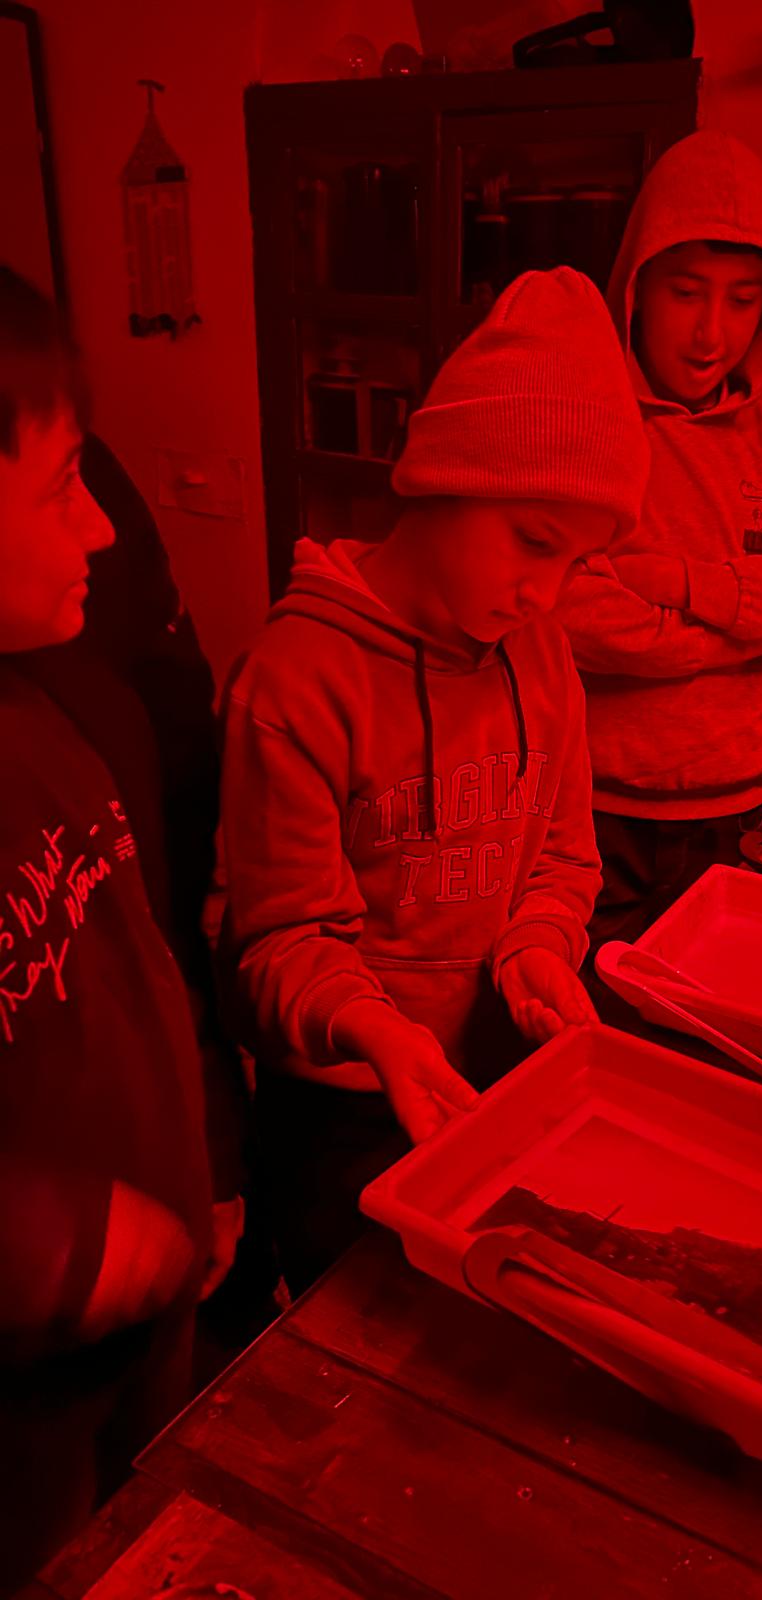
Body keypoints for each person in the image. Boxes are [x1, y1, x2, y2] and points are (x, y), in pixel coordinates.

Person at [220, 267, 650, 1293]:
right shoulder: (296, 679)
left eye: (578, 564)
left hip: (490, 1070)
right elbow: (275, 941)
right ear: (443, 479)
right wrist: (375, 1028)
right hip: (343, 1100)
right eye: (534, 543)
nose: (545, 593)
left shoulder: (540, 652)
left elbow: (561, 859)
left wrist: (538, 947)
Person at [0, 273, 222, 1588]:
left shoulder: (60, 711)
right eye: (59, 486)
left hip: (145, 1334)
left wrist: (207, 1165)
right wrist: (62, 1243)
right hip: (23, 1422)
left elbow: (144, 971)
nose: (99, 527)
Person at [555, 131, 762, 948]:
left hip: (736, 806)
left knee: (701, 1005)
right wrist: (752, 623)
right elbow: (566, 611)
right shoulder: (582, 426)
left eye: (743, 299)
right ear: (638, 286)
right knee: (576, 1006)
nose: (710, 334)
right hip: (589, 804)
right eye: (686, 293)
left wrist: (679, 583)